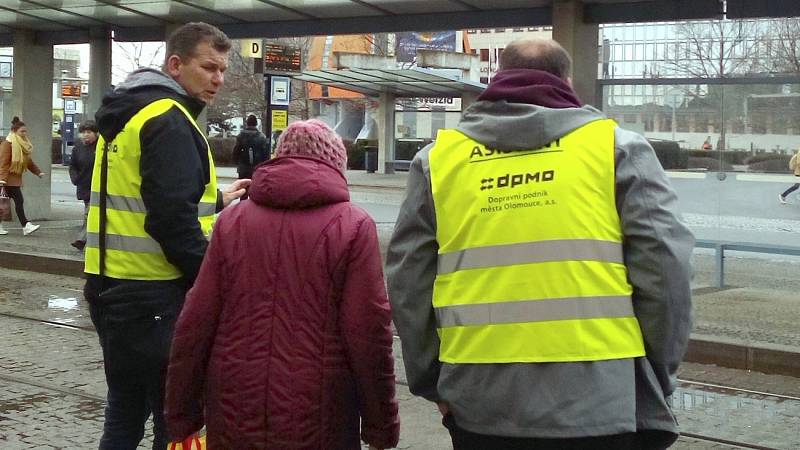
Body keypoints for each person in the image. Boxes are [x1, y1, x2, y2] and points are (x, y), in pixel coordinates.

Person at [387, 38, 694, 450]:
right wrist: (653, 375)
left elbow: (409, 282)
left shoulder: (438, 161)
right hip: (600, 402)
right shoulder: (618, 149)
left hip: (478, 402)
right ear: (567, 80)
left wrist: (431, 381)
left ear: (495, 79)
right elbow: (665, 273)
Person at [164, 119, 400, 449]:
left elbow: (195, 323)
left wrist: (181, 415)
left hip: (234, 404)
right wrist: (380, 426)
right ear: (336, 166)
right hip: (320, 413)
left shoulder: (233, 222)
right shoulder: (353, 226)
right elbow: (369, 334)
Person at [82, 22, 248, 450]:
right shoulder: (169, 121)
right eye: (209, 67)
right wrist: (212, 279)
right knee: (174, 420)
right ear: (175, 65)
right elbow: (171, 222)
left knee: (124, 411)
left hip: (109, 288)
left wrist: (217, 200)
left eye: (223, 69)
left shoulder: (129, 113)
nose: (218, 79)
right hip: (155, 297)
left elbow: (149, 197)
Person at [0, 116, 45, 236]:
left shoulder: (21, 145)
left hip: (13, 180)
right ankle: (26, 226)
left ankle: (25, 226)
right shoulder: (7, 144)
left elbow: (28, 161)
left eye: (25, 131)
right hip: (6, 180)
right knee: (13, 202)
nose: (24, 134)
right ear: (15, 131)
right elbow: (3, 163)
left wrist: (38, 172)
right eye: (22, 131)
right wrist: (2, 180)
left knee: (8, 203)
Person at [68, 120, 99, 250]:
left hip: (97, 186)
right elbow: (73, 165)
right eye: (83, 132)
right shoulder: (78, 148)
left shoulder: (100, 146)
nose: (86, 135)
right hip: (84, 185)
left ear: (96, 133)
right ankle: (90, 239)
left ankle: (82, 239)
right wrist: (75, 178)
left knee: (89, 213)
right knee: (90, 213)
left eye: (89, 132)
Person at [231, 114, 270, 185]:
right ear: (256, 124)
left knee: (243, 189)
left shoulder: (241, 136)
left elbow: (236, 151)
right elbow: (265, 154)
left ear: (247, 123)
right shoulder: (261, 137)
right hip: (257, 168)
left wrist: (237, 162)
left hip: (243, 168)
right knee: (255, 188)